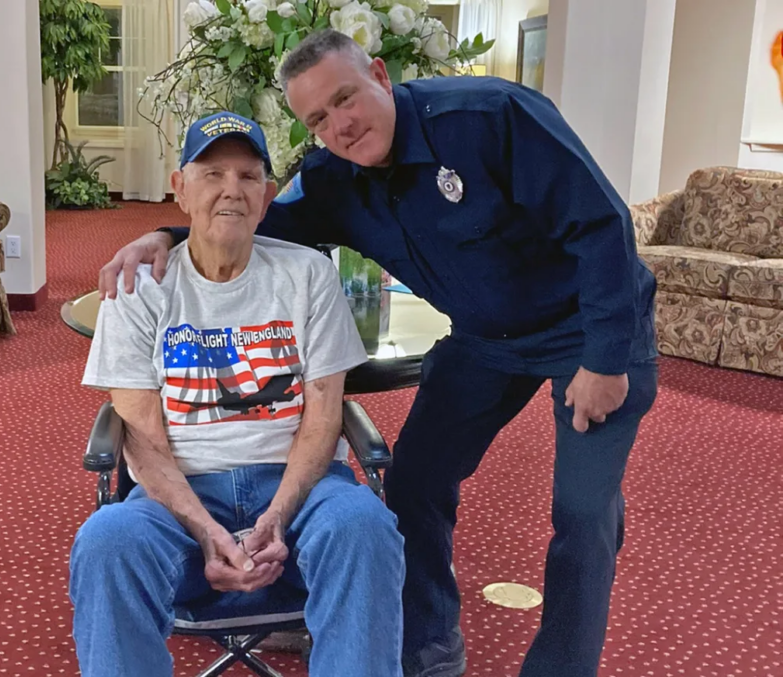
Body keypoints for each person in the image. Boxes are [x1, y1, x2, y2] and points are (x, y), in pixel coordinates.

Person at [97, 29, 659, 677]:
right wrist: (163, 234)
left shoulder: (490, 117)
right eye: (317, 118)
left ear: (382, 77)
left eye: (346, 98)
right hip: (485, 340)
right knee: (414, 481)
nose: (339, 124)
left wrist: (609, 358)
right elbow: (255, 218)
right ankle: (427, 639)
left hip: (590, 327)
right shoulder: (334, 179)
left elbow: (603, 223)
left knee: (583, 515)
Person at [70, 110, 406, 677]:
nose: (232, 190)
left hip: (298, 489)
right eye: (212, 174)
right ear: (178, 188)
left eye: (249, 176)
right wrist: (205, 530)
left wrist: (278, 514)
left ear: (268, 194)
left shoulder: (307, 275)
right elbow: (142, 440)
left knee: (364, 528)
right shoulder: (137, 287)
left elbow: (324, 418)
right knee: (107, 542)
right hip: (179, 499)